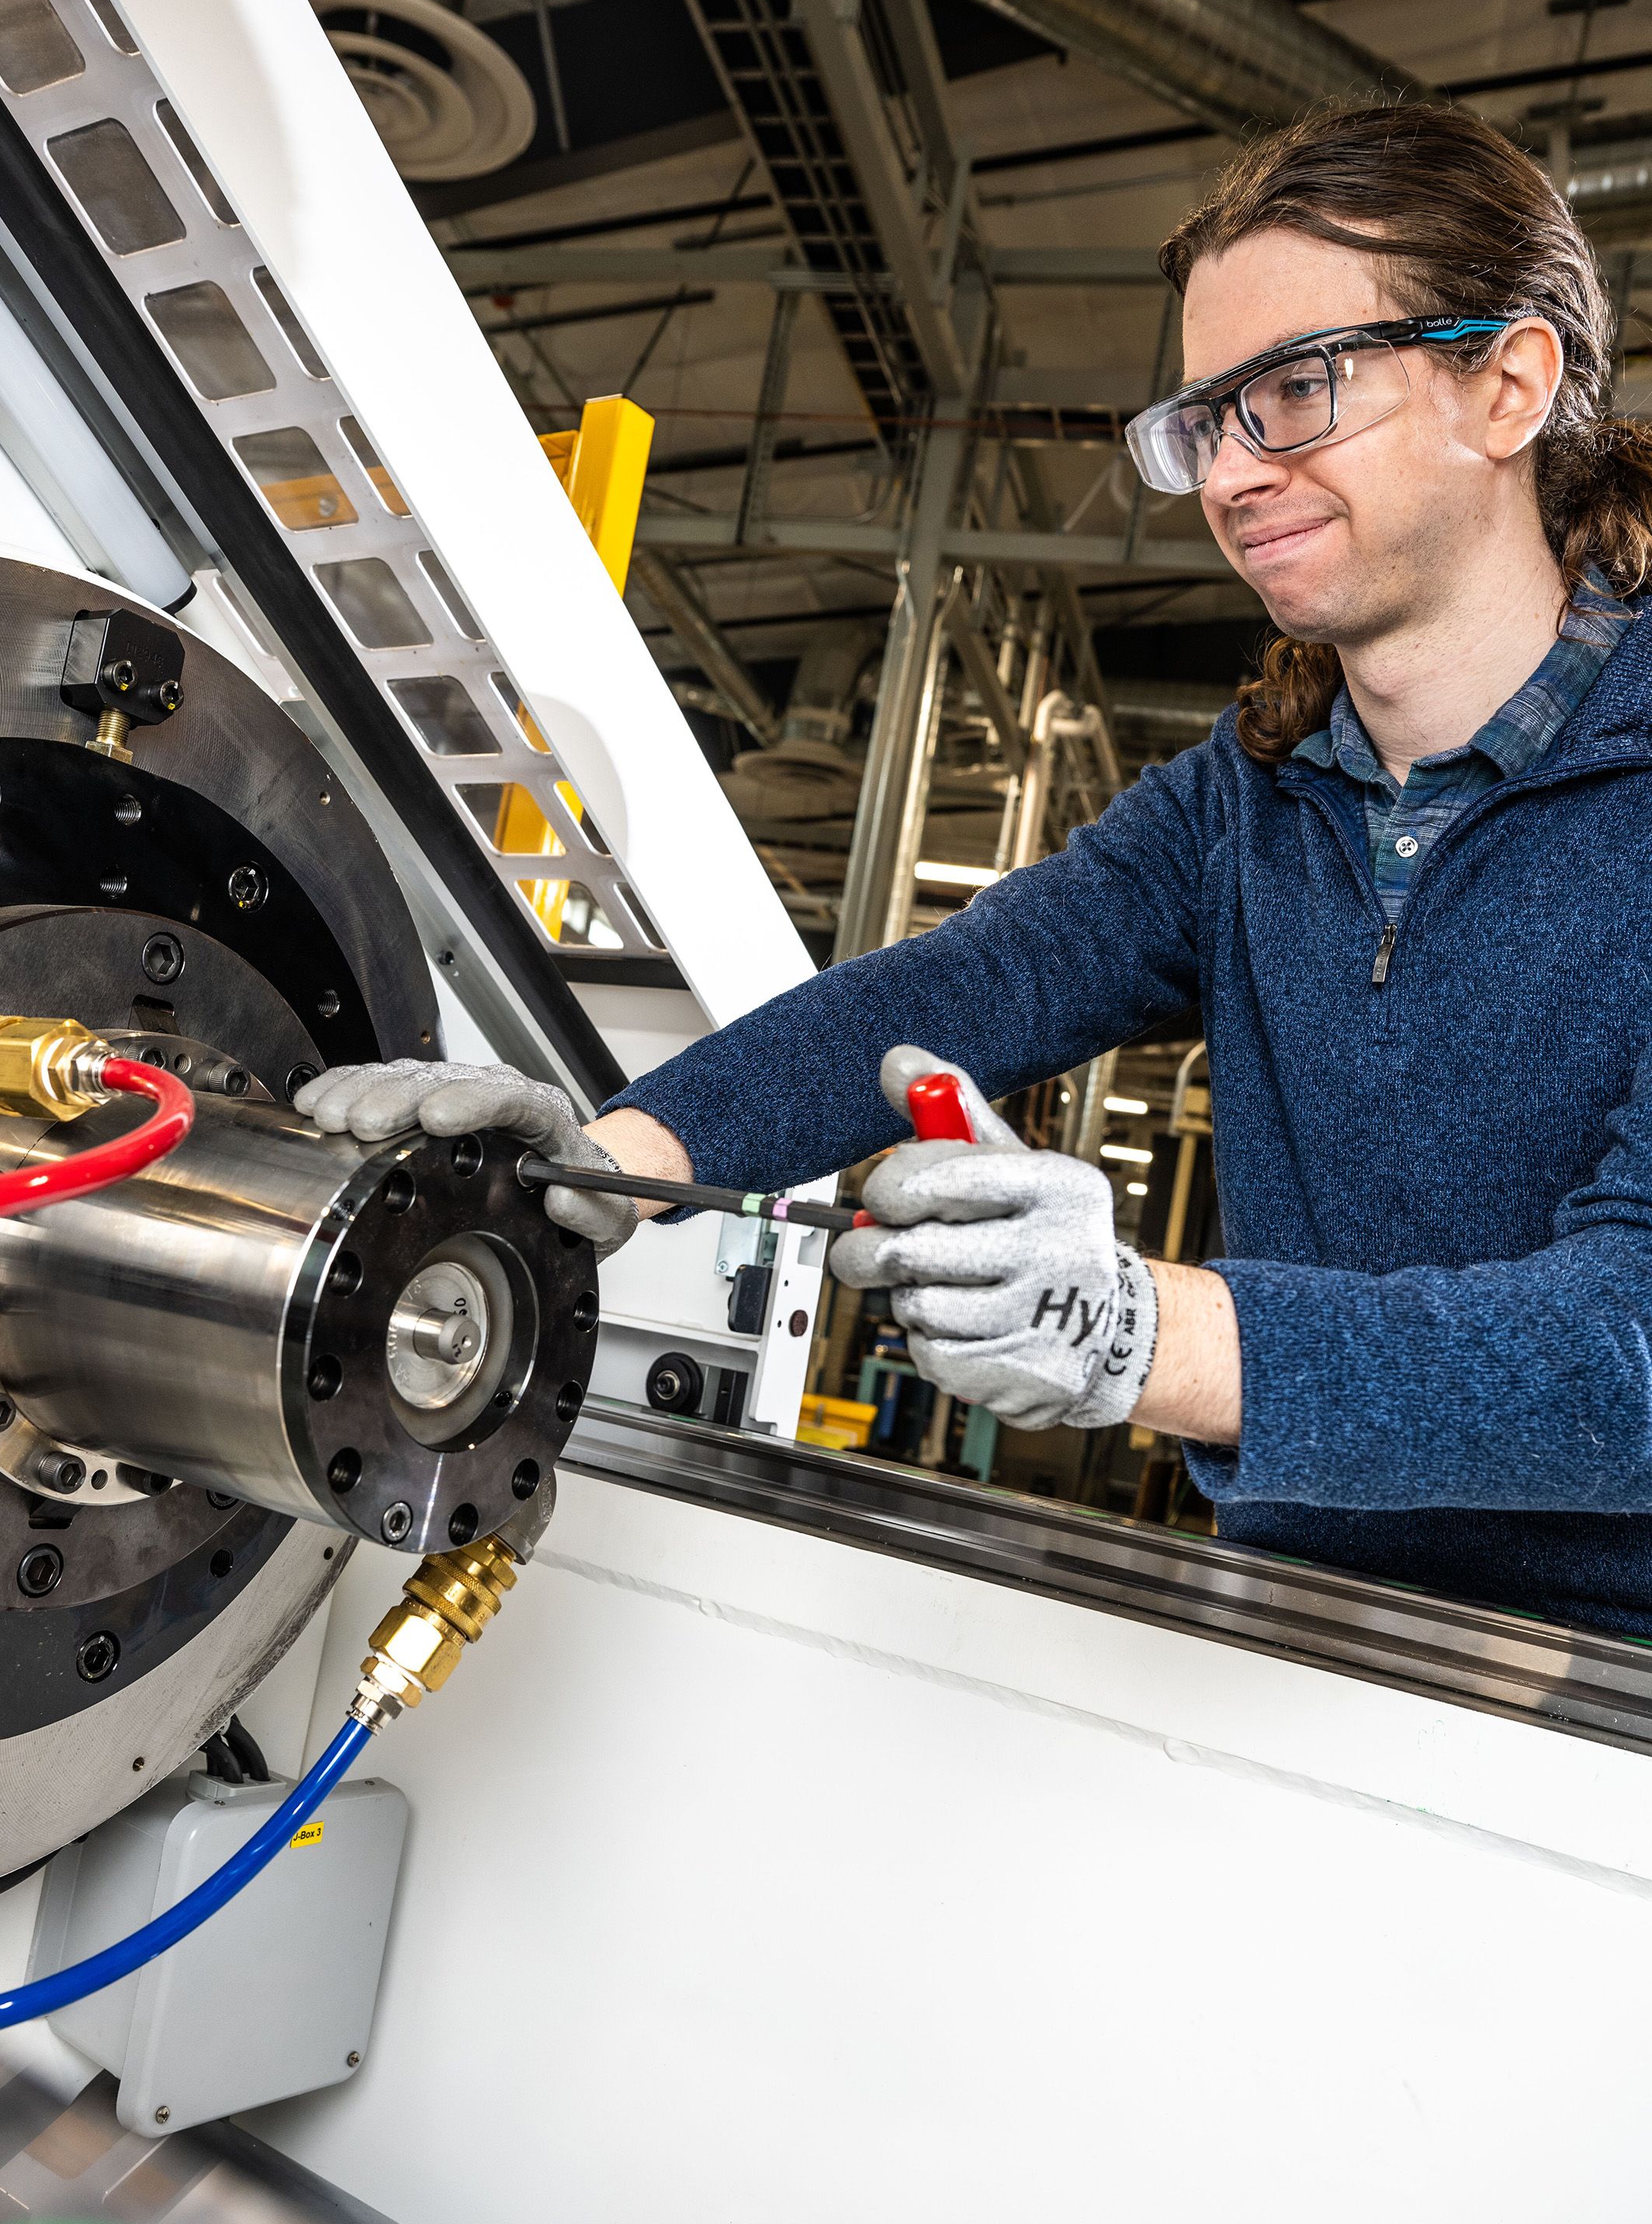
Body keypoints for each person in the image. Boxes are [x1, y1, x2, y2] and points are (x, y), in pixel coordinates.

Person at [303, 101, 1652, 1636]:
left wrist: (1141, 1334)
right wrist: (603, 1164)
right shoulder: (1250, 801)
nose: (1228, 472)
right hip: (1296, 1621)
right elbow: (952, 990)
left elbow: (1635, 1345)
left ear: (1507, 385)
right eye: (1204, 418)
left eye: (1294, 390)